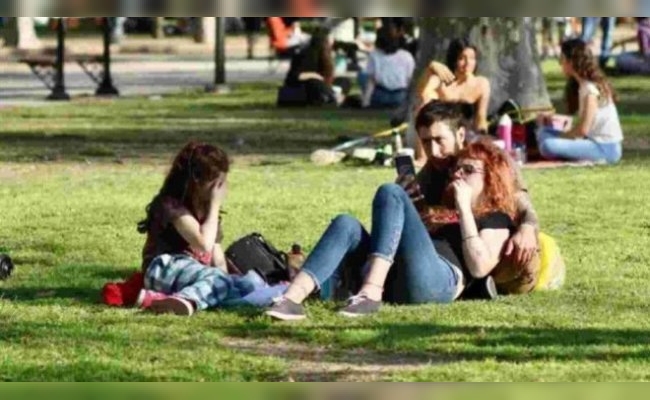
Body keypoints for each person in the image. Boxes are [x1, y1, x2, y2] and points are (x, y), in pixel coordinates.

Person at [265, 109, 520, 321]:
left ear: (491, 177)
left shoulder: (496, 217)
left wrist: (464, 208)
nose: (458, 174)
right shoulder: (440, 197)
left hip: (437, 280)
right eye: (458, 169)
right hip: (399, 274)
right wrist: (410, 208)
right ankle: (291, 299)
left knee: (391, 192)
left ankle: (370, 293)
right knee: (347, 223)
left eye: (469, 170)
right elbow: (403, 238)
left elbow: (479, 267)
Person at [136, 142, 284, 316]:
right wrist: (215, 205)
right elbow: (203, 245)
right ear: (196, 181)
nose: (220, 188)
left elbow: (217, 257)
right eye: (216, 183)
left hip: (197, 273)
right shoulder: (171, 206)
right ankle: (186, 299)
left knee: (248, 283)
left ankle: (156, 300)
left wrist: (228, 279)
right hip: (163, 268)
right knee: (218, 281)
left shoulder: (207, 212)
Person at [536, 38, 623, 164]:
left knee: (547, 145)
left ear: (571, 62)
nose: (560, 64)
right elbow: (582, 122)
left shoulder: (590, 90)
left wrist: (561, 137)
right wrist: (552, 120)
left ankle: (563, 151)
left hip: (605, 148)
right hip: (592, 141)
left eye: (562, 59)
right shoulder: (582, 85)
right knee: (544, 131)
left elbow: (583, 130)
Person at [412, 39, 491, 166]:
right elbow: (422, 94)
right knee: (423, 104)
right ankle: (423, 158)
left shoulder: (481, 83)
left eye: (472, 58)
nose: (468, 63)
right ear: (454, 59)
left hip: (466, 133)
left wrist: (484, 136)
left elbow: (481, 117)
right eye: (462, 58)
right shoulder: (441, 81)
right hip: (440, 131)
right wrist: (430, 69)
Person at [279, 26, 351, 107]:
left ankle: (332, 95)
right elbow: (294, 76)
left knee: (344, 81)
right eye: (331, 39)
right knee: (315, 82)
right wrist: (315, 75)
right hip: (303, 88)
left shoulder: (326, 53)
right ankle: (333, 97)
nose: (332, 41)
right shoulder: (308, 54)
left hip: (322, 86)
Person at [359, 25, 415, 109]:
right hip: (400, 97)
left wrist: (365, 102)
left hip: (380, 97)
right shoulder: (407, 56)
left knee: (362, 75)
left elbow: (371, 81)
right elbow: (410, 80)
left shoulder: (374, 55)